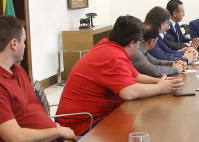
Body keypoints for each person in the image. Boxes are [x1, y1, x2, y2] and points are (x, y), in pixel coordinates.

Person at [57, 15, 185, 134]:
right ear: (131, 43)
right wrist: (160, 88)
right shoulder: (113, 56)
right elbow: (129, 92)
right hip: (83, 123)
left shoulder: (112, 47)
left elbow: (136, 77)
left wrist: (162, 82)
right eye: (140, 41)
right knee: (144, 132)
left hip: (95, 116)